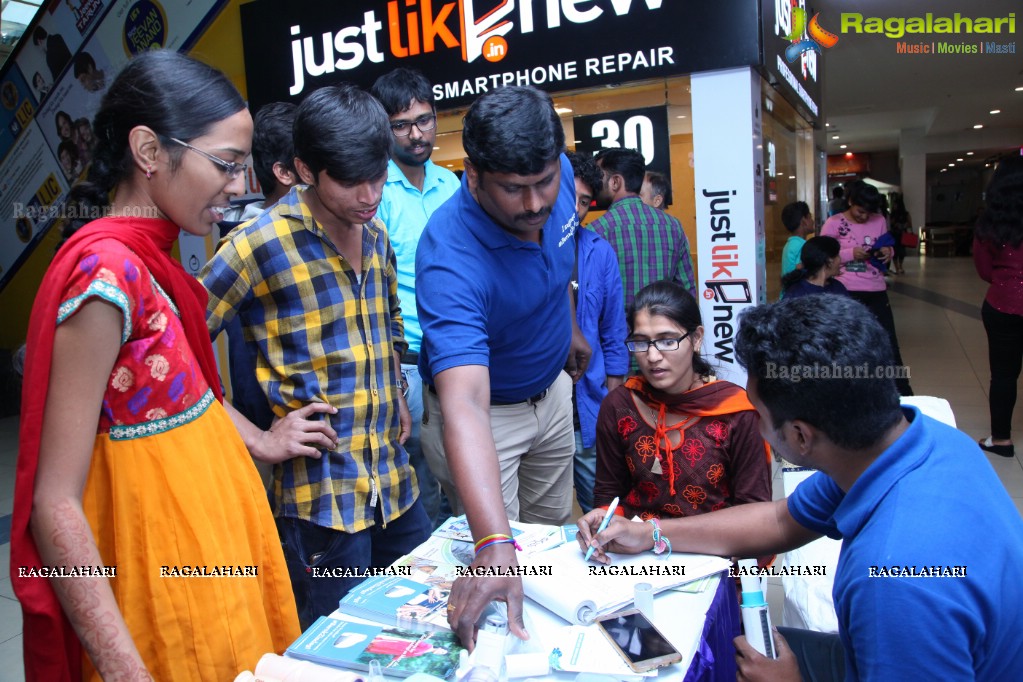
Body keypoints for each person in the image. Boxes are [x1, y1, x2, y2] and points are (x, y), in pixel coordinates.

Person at [11, 49, 300, 681]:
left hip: (217, 562)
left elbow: (190, 391)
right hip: (164, 591)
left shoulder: (152, 258)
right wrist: (122, 669)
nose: (239, 185)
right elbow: (53, 501)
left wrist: (263, 440)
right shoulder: (106, 273)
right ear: (148, 151)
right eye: (225, 164)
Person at [578, 294, 1023, 682]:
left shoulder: (893, 583)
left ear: (800, 437)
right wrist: (649, 533)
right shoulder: (922, 441)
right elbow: (779, 518)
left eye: (757, 412)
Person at [201, 84, 431, 629]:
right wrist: (257, 438)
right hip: (323, 503)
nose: (371, 193)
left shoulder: (374, 233)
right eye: (352, 180)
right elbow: (168, 349)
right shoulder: (256, 244)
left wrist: (396, 389)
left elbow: (388, 320)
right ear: (304, 169)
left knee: (426, 625)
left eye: (378, 174)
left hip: (394, 485)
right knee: (346, 645)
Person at [416, 86, 590, 646]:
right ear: (472, 176)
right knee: (503, 567)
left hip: (553, 396)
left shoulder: (552, 171)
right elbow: (464, 401)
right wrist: (493, 547)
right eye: (514, 190)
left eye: (545, 182)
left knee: (551, 552)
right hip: (488, 423)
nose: (537, 202)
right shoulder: (449, 256)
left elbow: (560, 260)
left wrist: (571, 328)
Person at [594, 281, 770, 520]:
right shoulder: (620, 405)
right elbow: (609, 497)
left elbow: (754, 514)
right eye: (642, 342)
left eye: (668, 341)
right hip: (636, 552)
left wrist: (659, 535)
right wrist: (603, 523)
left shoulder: (736, 413)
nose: (653, 356)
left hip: (715, 550)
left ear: (696, 339)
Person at [371, 67, 460, 527]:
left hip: (456, 349)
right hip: (407, 358)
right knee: (418, 474)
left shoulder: (452, 185)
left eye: (424, 120)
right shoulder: (375, 191)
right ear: (384, 129)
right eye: (402, 125)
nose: (416, 134)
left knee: (463, 465)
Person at [216, 101, 299, 437]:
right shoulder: (247, 246)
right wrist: (260, 435)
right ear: (285, 173)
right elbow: (241, 359)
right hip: (274, 430)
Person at [566, 151, 628, 513]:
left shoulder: (599, 251)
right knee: (545, 514)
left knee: (601, 506)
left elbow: (613, 330)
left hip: (591, 402)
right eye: (568, 197)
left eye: (585, 201)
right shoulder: (529, 249)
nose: (575, 209)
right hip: (543, 407)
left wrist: (614, 400)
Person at [821, 180, 912, 395]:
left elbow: (885, 244)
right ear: (850, 201)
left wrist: (887, 252)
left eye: (869, 212)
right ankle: (849, 393)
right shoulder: (834, 223)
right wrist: (849, 254)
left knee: (888, 343)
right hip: (845, 291)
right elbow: (822, 254)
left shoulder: (879, 220)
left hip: (876, 289)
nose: (864, 217)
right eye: (860, 211)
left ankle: (903, 394)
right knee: (847, 346)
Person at [590, 148, 696, 308]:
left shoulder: (597, 230)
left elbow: (591, 298)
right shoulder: (673, 226)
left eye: (599, 176)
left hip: (616, 332)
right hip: (664, 330)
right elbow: (687, 292)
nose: (594, 183)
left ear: (615, 182)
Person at [974, 155, 1023, 458]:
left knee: (1004, 374)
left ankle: (1001, 440)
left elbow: (983, 269)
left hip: (1003, 303)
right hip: (1006, 300)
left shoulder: (991, 222)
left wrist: (1009, 280)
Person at [781, 236, 848, 299]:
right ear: (829, 261)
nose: (840, 259)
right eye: (837, 255)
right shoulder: (795, 294)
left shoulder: (838, 287)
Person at [780, 200, 814, 277]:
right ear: (804, 221)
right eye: (810, 217)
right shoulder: (802, 245)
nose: (813, 221)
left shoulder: (790, 244)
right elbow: (800, 268)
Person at [888, 193, 911, 275]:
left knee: (901, 252)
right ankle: (897, 267)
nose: (894, 206)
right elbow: (889, 224)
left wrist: (902, 225)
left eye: (895, 205)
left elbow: (909, 224)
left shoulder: (905, 214)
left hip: (902, 235)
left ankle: (900, 266)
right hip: (894, 235)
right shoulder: (892, 215)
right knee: (895, 251)